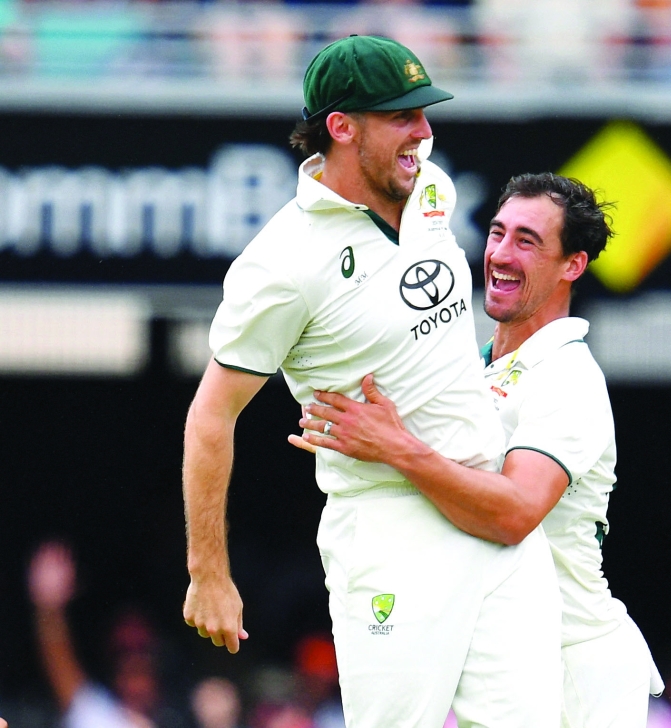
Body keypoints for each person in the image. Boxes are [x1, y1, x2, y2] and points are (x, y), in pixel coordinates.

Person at [181, 34, 562, 728]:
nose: (425, 131)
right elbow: (211, 416)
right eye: (403, 117)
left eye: (425, 113)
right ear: (342, 127)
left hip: (491, 512)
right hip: (391, 535)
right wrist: (209, 571)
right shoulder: (281, 264)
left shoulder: (432, 188)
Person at [292, 172, 664, 727]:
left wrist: (395, 448)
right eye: (497, 233)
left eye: (527, 241)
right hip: (500, 655)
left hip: (573, 670)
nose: (501, 254)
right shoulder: (474, 365)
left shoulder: (568, 376)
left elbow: (514, 512)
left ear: (573, 265)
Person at [28, 541, 186, 728]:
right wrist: (49, 609)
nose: (136, 684)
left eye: (142, 669)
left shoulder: (187, 714)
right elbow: (58, 661)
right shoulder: (98, 715)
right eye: (127, 669)